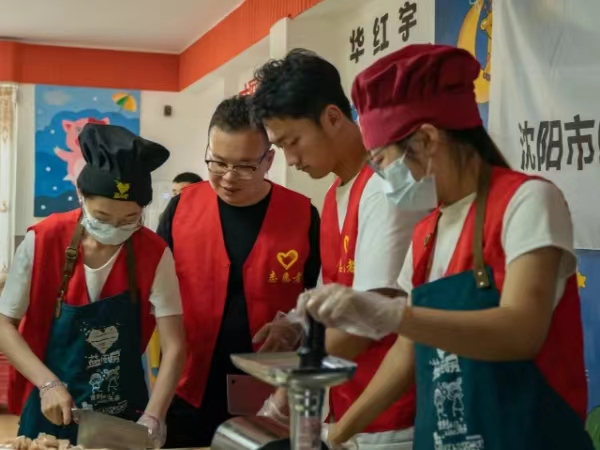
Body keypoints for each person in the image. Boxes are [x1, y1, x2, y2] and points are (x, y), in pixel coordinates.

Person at [300, 44, 593, 449]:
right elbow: (406, 354)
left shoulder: (527, 202)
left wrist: (393, 314)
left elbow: (520, 331)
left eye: (381, 160)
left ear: (426, 139)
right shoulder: (427, 230)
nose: (381, 176)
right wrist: (337, 435)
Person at [250, 49, 425, 449]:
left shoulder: (382, 190)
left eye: (293, 142)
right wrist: (297, 325)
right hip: (348, 406)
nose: (291, 160)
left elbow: (371, 316)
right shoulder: (335, 194)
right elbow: (333, 292)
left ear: (332, 117)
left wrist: (290, 386)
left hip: (391, 418)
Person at [0, 124, 186, 447]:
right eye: (102, 216)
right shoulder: (42, 241)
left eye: (128, 219)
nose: (114, 228)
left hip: (122, 412)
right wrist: (47, 384)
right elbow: (4, 325)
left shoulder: (155, 253)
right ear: (80, 196)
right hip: (50, 408)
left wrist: (155, 416)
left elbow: (174, 346)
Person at [157, 95, 321, 448]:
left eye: (245, 166)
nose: (229, 178)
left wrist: (296, 324)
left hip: (273, 393)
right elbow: (155, 293)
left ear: (269, 160)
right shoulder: (180, 209)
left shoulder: (302, 215)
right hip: (189, 387)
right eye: (218, 163)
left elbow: (320, 296)